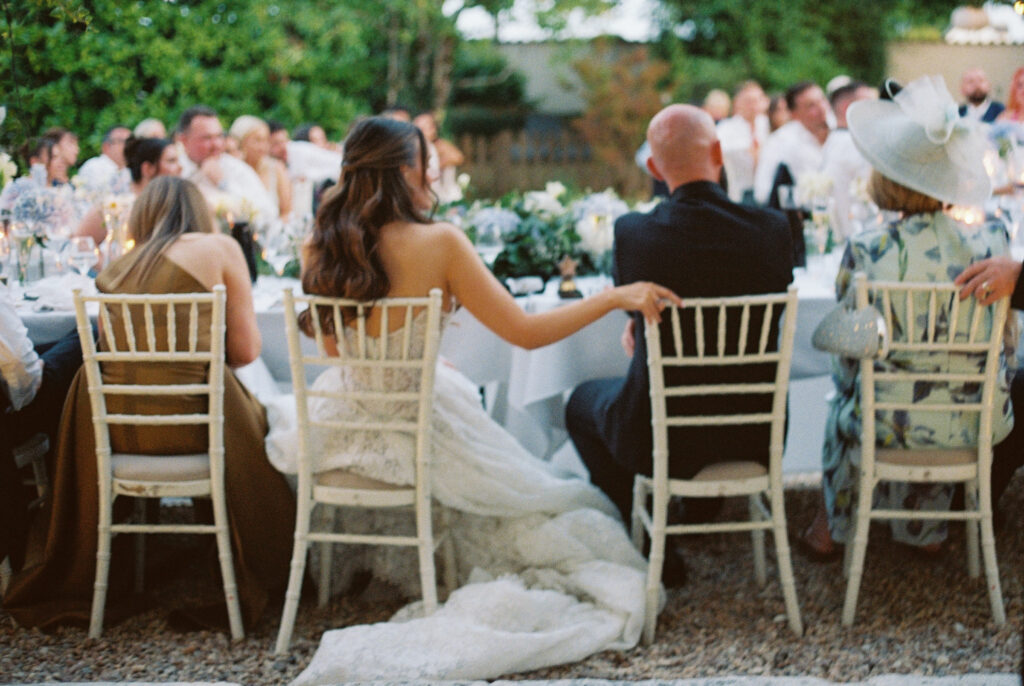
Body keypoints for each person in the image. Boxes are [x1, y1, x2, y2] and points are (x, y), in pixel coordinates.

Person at [264, 116, 679, 681]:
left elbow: (338, 356)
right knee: (563, 506)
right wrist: (611, 298)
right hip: (416, 422)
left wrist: (401, 365)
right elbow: (526, 334)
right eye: (426, 161)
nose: (432, 171)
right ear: (407, 170)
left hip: (341, 421)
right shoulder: (440, 243)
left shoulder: (323, 241)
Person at [3, 177, 295, 631]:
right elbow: (245, 353)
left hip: (119, 435)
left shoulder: (121, 263)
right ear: (200, 212)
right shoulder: (220, 248)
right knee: (257, 412)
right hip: (198, 429)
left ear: (142, 216)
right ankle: (261, 558)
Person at [800, 75, 1015, 559]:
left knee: (848, 395)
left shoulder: (868, 248)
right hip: (975, 421)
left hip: (888, 422)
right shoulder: (994, 243)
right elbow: (1006, 340)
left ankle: (832, 529)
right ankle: (924, 529)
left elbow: (849, 339)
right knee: (935, 381)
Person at [565, 104, 793, 530]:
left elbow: (635, 315)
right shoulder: (773, 228)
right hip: (756, 429)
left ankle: (651, 539)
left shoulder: (634, 233)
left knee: (579, 403)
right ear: (719, 153)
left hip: (663, 433)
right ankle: (701, 506)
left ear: (653, 167)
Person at [1, 285, 84, 573]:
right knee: (88, 336)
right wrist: (34, 376)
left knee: (54, 353)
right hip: (8, 424)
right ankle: (68, 519)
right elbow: (19, 370)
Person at [175, 105, 277, 225]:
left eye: (219, 136)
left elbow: (269, 214)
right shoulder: (174, 169)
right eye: (207, 138)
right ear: (184, 140)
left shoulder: (235, 168)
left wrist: (224, 184)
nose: (217, 144)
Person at [74, 136, 182, 245]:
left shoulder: (172, 205)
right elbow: (80, 244)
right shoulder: (113, 206)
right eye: (171, 161)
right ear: (148, 168)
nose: (180, 167)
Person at [754, 81, 831, 205]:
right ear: (794, 114)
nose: (822, 108)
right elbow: (762, 192)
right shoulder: (779, 142)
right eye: (811, 105)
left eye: (822, 100)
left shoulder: (841, 133)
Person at [821, 81, 877, 239]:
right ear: (847, 107)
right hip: (858, 233)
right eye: (867, 103)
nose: (873, 109)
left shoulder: (834, 141)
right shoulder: (851, 144)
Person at [228, 115, 292, 219]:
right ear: (241, 142)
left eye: (266, 140)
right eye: (257, 140)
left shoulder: (276, 169)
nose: (263, 146)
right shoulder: (233, 170)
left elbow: (286, 212)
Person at [716, 80, 770, 204]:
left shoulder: (767, 124)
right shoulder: (725, 129)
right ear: (736, 103)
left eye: (758, 100)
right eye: (748, 101)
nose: (754, 106)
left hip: (766, 191)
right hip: (740, 193)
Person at [413, 111, 465, 204]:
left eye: (425, 128)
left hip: (446, 197)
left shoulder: (439, 145)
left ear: (434, 129)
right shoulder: (413, 147)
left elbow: (458, 157)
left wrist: (438, 165)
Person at [76, 125, 131, 194]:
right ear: (106, 147)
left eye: (130, 142)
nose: (128, 146)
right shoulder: (94, 167)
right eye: (122, 141)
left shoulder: (128, 171)